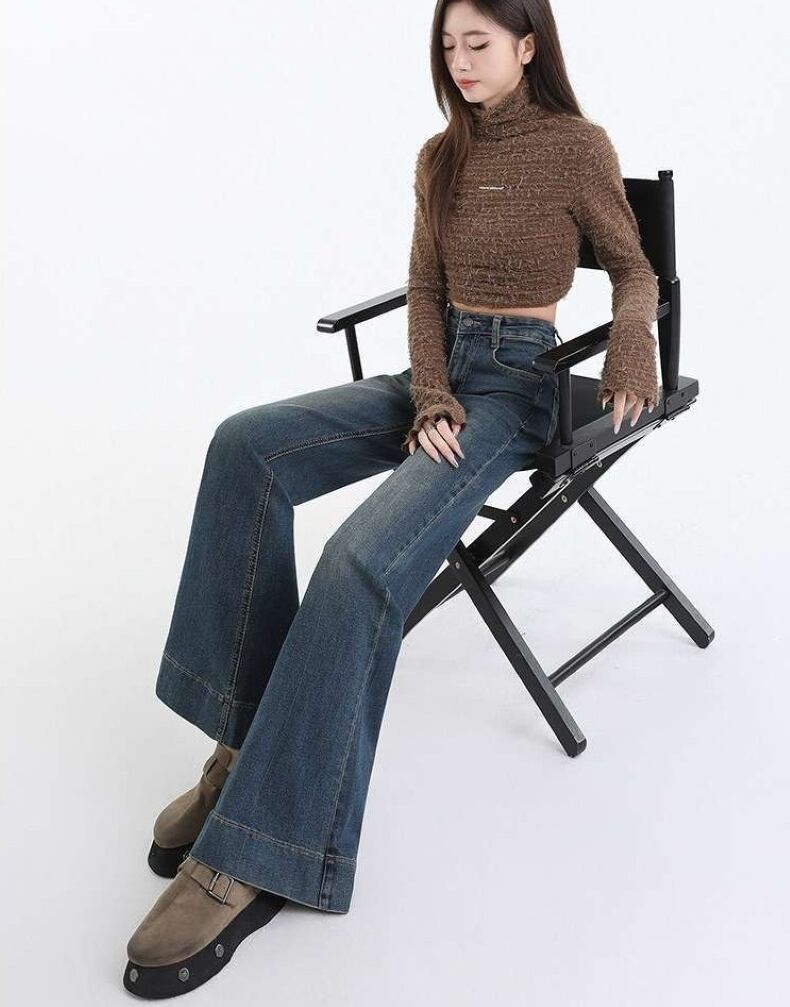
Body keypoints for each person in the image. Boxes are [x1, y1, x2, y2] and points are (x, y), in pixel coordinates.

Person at [122, 0, 660, 996]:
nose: (459, 61)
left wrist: (632, 343)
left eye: (478, 43)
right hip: (439, 375)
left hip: (520, 387)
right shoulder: (438, 157)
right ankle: (243, 744)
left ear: (528, 45)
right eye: (447, 45)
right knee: (244, 446)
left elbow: (633, 269)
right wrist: (428, 395)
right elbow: (421, 289)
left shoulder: (576, 148)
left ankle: (262, 846)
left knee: (359, 558)